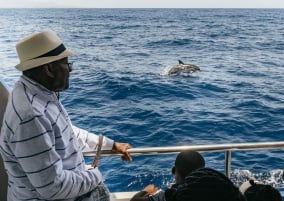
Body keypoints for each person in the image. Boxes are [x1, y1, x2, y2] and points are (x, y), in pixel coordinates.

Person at [0, 30, 132, 201]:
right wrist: (95, 175)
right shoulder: (30, 116)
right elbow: (53, 187)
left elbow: (66, 132)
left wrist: (110, 145)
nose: (70, 70)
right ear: (48, 69)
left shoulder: (39, 93)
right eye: (67, 64)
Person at [130, 150, 205, 201]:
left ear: (175, 171)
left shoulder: (171, 196)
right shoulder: (212, 191)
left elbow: (135, 200)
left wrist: (146, 191)